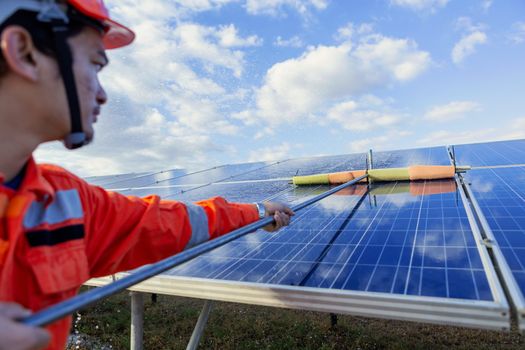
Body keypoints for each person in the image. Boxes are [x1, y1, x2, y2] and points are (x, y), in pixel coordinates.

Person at [0, 1, 294, 349]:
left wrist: (257, 212)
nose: (103, 93)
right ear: (24, 52)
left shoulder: (66, 201)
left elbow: (167, 223)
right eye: (95, 64)